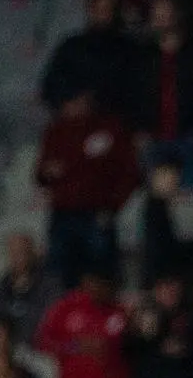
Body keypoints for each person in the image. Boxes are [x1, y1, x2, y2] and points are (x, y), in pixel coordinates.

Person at [36, 92, 141, 288]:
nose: (73, 106)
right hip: (63, 214)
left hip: (97, 213)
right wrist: (48, 172)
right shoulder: (56, 131)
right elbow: (41, 173)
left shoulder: (111, 130)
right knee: (59, 275)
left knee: (100, 274)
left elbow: (130, 174)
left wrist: (112, 206)